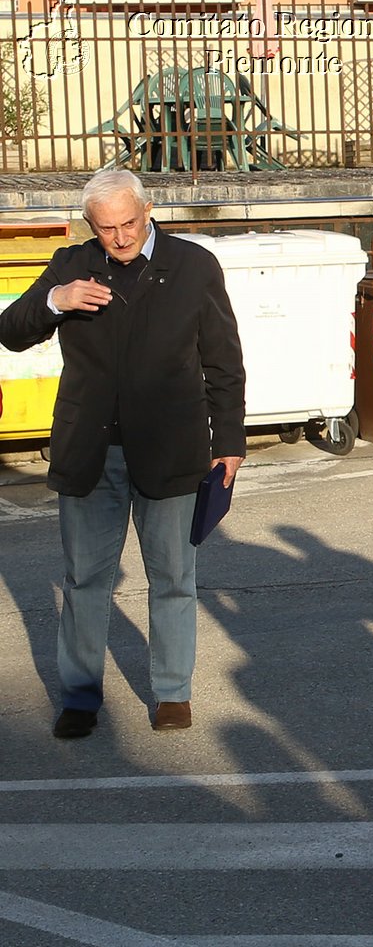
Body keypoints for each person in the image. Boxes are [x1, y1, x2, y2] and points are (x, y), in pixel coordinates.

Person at [0, 167, 244, 740]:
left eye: (129, 222)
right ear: (91, 225)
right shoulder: (71, 266)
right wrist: (56, 301)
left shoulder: (193, 266)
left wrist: (229, 445)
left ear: (148, 209)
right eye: (106, 228)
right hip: (92, 451)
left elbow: (224, 364)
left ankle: (171, 693)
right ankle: (80, 696)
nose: (120, 237)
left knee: (173, 577)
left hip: (172, 449)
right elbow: (11, 331)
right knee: (85, 579)